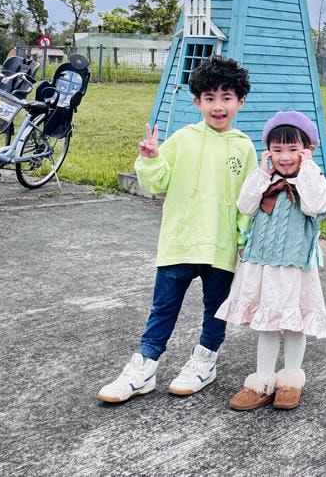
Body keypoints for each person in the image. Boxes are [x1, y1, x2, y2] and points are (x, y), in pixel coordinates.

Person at [97, 55, 257, 403]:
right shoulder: (183, 138)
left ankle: (205, 361)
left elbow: (247, 202)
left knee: (216, 309)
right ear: (197, 101)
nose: (218, 106)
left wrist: (246, 241)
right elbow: (156, 183)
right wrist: (151, 158)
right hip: (180, 241)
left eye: (227, 97)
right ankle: (144, 367)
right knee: (163, 308)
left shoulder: (244, 147)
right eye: (209, 97)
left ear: (240, 101)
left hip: (221, 246)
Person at [217, 110, 326, 411]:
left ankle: (291, 379)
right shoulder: (265, 181)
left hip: (296, 268)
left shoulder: (311, 182)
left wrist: (307, 170)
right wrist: (261, 174)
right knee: (268, 325)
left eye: (293, 149)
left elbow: (316, 206)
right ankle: (262, 379)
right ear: (269, 151)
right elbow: (245, 205)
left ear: (307, 150)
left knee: (295, 324)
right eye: (278, 149)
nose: (285, 156)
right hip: (263, 265)